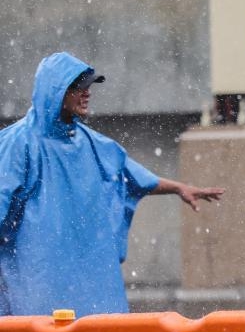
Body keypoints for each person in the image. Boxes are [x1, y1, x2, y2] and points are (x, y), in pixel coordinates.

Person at [0, 52, 225, 317]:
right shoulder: (18, 143)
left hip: (92, 281)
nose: (87, 93)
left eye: (89, 86)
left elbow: (132, 176)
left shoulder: (93, 144)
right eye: (78, 86)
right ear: (55, 92)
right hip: (37, 280)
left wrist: (179, 188)